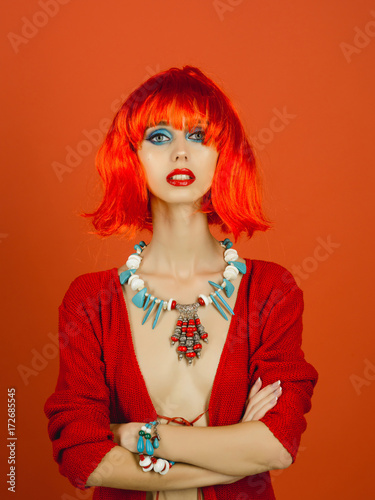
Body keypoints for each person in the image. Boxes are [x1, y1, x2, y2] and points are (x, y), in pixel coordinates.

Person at [44, 66, 318, 500]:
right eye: (158, 136)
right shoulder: (90, 300)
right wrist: (230, 465)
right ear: (131, 156)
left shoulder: (271, 290)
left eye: (198, 135)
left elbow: (278, 444)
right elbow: (82, 456)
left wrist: (135, 437)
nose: (180, 153)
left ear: (223, 154)